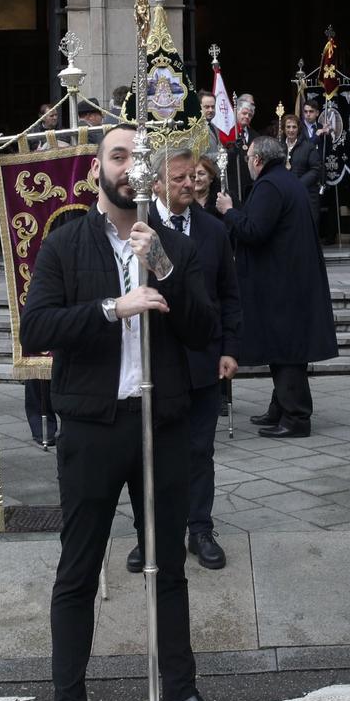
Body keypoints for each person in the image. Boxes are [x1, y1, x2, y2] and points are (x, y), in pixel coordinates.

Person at [21, 123, 238, 701]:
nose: (129, 166)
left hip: (162, 423)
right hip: (91, 426)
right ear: (98, 169)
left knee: (167, 569)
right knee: (78, 572)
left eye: (140, 157)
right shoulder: (66, 244)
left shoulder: (172, 244)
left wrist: (164, 271)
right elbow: (38, 326)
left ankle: (180, 695)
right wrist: (114, 306)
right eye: (118, 155)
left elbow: (205, 329)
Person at [133, 147, 241, 572]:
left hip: (202, 360)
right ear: (157, 182)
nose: (189, 184)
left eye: (194, 176)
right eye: (179, 177)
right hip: (155, 361)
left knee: (199, 449)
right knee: (150, 452)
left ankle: (200, 528)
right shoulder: (142, 227)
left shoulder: (214, 231)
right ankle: (152, 537)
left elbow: (229, 293)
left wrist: (230, 348)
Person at [216, 134, 339, 438]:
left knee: (285, 350)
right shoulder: (284, 180)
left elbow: (254, 230)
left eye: (248, 159)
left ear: (257, 159)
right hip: (287, 279)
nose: (247, 164)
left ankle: (296, 418)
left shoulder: (270, 185)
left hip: (281, 284)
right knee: (280, 347)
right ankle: (280, 408)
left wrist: (229, 211)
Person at [285, 113, 323, 226]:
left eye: (294, 127)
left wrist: (298, 184)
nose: (291, 130)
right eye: (288, 127)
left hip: (307, 194)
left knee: (307, 227)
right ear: (283, 129)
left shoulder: (308, 146)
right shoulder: (279, 147)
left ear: (298, 129)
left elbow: (316, 169)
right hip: (286, 195)